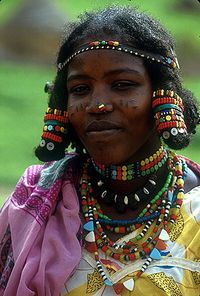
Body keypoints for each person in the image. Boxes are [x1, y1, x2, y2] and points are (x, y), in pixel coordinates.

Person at [0, 5, 200, 296]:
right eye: (80, 89)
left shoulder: (195, 210)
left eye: (122, 85)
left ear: (162, 94)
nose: (98, 105)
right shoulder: (34, 200)